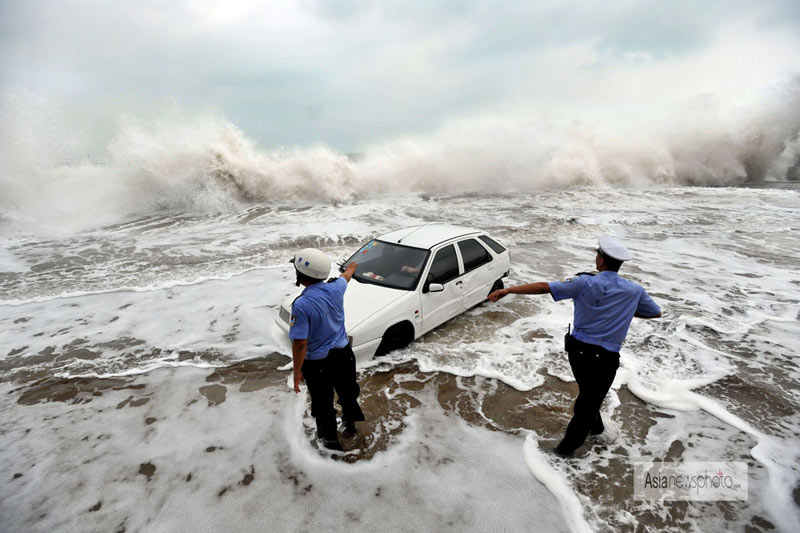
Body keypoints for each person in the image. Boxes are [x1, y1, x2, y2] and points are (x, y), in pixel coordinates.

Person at [488, 236, 662, 457]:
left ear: (601, 260)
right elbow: (655, 312)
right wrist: (623, 311)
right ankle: (569, 449)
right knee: (587, 403)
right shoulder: (634, 291)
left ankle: (570, 449)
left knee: (587, 399)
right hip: (605, 359)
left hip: (578, 353)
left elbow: (544, 287)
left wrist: (509, 290)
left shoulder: (584, 282)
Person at [289, 248, 365, 451]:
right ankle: (350, 425)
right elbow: (345, 277)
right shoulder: (336, 288)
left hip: (317, 364)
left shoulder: (301, 305)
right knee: (348, 393)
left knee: (323, 404)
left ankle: (330, 443)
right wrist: (351, 267)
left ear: (300, 275)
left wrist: (297, 372)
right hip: (344, 355)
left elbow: (300, 344)